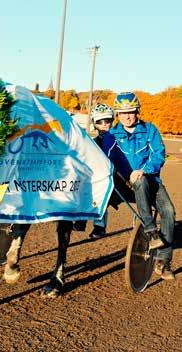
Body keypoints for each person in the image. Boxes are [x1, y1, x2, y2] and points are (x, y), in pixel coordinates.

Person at [109, 91, 176, 280]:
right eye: (122, 113)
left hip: (150, 181)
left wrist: (144, 170)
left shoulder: (150, 130)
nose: (127, 116)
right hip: (122, 184)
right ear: (117, 115)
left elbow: (158, 155)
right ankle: (150, 229)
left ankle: (163, 262)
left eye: (130, 111)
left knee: (169, 212)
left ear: (137, 111)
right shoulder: (112, 134)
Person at [88, 103, 115, 238]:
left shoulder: (119, 139)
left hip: (120, 177)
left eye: (108, 121)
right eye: (100, 122)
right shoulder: (92, 142)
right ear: (94, 124)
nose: (104, 124)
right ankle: (84, 220)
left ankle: (99, 226)